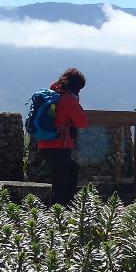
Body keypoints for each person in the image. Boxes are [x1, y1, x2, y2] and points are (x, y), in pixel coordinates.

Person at [37, 68, 87, 205]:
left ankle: (65, 206)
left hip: (45, 142)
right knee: (60, 185)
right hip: (59, 145)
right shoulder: (68, 99)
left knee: (71, 170)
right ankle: (58, 212)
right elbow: (82, 122)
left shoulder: (53, 93)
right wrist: (77, 103)